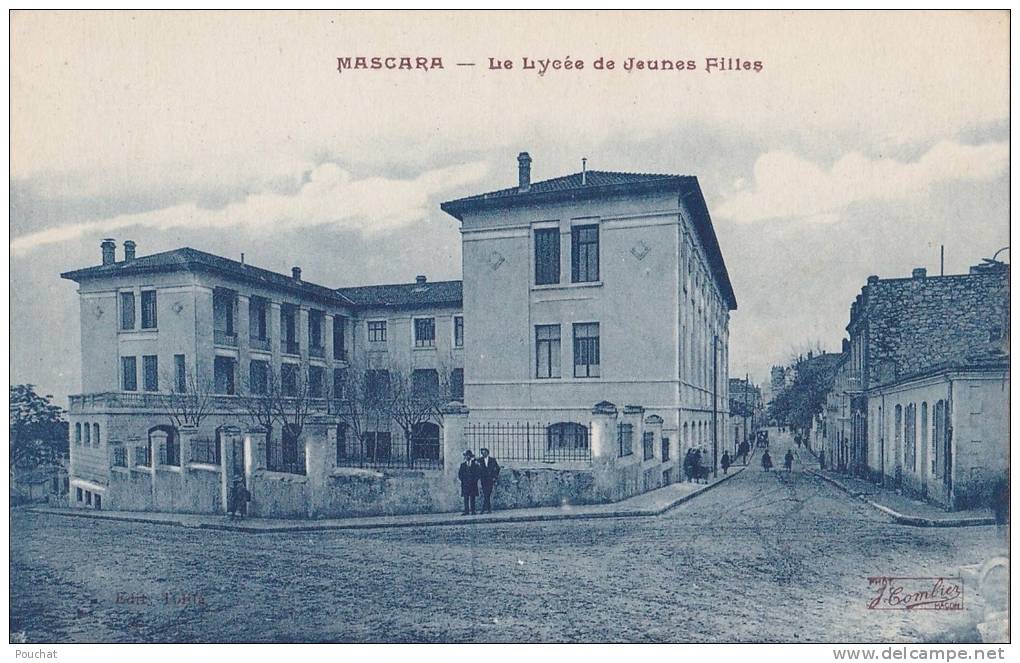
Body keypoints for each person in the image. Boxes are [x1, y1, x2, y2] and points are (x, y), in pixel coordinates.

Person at [477, 447, 500, 514]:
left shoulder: (492, 460)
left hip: (490, 479)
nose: (483, 454)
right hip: (483, 479)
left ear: (487, 452)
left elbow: (498, 468)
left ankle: (484, 509)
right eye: (482, 453)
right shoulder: (479, 460)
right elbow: (477, 469)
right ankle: (488, 509)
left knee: (488, 493)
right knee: (485, 493)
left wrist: (495, 476)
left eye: (485, 452)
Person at [457, 450, 479, 515]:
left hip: (473, 484)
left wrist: (474, 480)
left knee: (473, 498)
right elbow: (460, 474)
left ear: (471, 456)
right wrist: (463, 481)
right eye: (466, 455)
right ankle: (466, 511)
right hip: (465, 484)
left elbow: (477, 474)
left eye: (469, 455)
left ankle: (473, 511)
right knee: (466, 498)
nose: (467, 457)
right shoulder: (462, 465)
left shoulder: (474, 464)